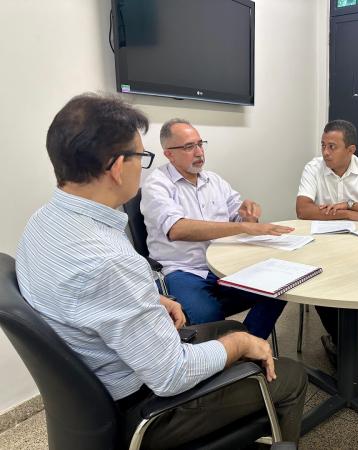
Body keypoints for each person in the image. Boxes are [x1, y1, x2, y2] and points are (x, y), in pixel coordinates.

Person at [15, 94, 307, 448]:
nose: (144, 166)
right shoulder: (109, 258)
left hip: (96, 391)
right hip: (143, 407)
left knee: (233, 324)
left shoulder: (43, 221)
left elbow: (86, 296)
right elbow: (172, 375)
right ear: (119, 166)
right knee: (290, 374)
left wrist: (149, 298)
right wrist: (242, 342)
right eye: (142, 156)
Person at [141, 119, 293, 339]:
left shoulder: (214, 180)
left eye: (200, 144)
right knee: (208, 314)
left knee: (278, 290)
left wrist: (247, 212)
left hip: (224, 265)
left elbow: (236, 214)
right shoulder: (157, 184)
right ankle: (230, 352)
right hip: (183, 270)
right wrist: (241, 225)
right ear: (169, 154)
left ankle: (247, 348)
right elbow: (177, 229)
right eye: (188, 147)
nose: (199, 152)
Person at [296, 119, 358, 374]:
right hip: (323, 246)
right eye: (323, 145)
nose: (325, 152)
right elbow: (303, 210)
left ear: (350, 150)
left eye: (332, 146)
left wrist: (350, 205)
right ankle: (346, 342)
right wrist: (347, 216)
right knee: (320, 284)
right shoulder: (314, 167)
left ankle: (341, 341)